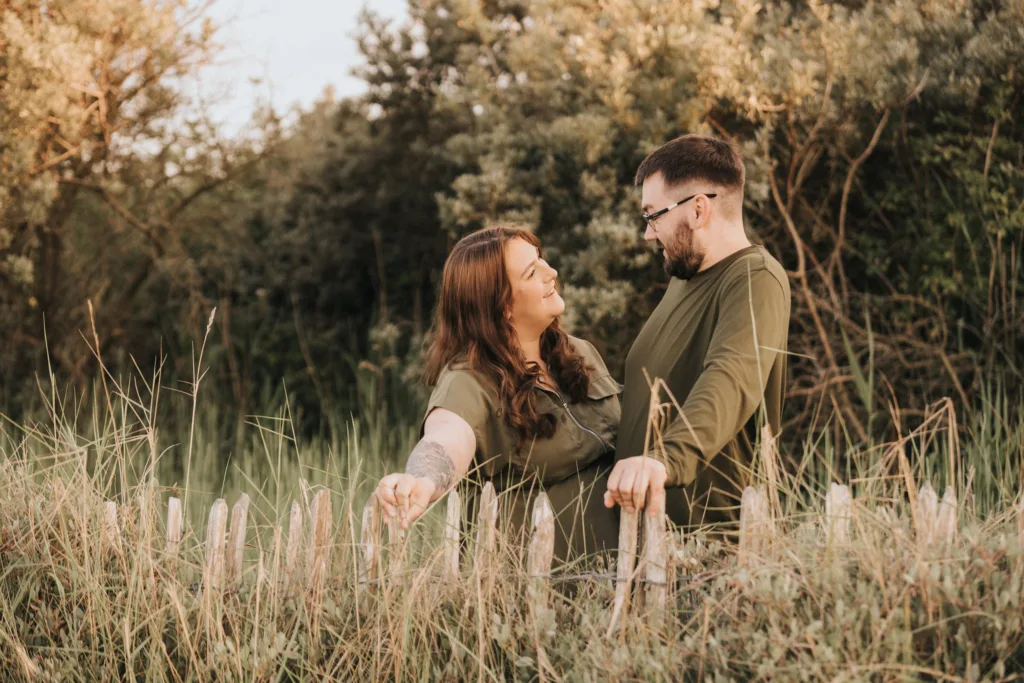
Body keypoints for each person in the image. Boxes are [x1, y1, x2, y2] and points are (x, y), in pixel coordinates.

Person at [374, 225, 622, 562]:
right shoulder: (468, 380)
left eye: (542, 261)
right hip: (529, 598)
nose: (552, 273)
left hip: (618, 582)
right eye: (533, 272)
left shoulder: (580, 354)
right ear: (501, 305)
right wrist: (421, 480)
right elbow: (448, 437)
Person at [603, 134, 792, 535]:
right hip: (645, 548)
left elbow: (730, 379)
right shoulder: (683, 281)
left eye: (653, 214)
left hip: (712, 553)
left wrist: (665, 460)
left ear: (699, 209)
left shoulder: (755, 278)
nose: (649, 233)